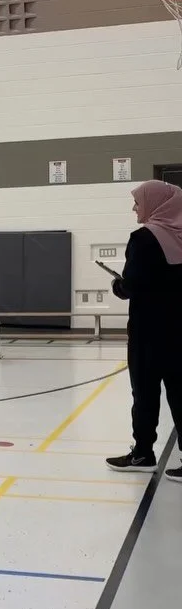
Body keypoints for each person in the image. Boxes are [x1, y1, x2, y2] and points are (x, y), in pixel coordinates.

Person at [106, 182, 182, 480]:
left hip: (149, 332)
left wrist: (118, 286)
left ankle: (143, 453)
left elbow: (133, 285)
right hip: (179, 332)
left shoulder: (144, 238)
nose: (135, 208)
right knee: (180, 392)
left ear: (155, 204)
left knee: (145, 393)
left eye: (138, 202)